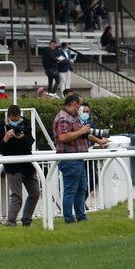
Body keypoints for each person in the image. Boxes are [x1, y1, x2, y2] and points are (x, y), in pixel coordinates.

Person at [0, 105, 39, 226]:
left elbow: (31, 141)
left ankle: (26, 220)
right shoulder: (1, 126)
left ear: (20, 116)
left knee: (35, 193)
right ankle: (11, 222)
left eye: (17, 119)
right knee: (16, 196)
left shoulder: (25, 122)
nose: (15, 122)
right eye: (13, 120)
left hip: (27, 165)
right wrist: (5, 139)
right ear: (8, 116)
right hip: (12, 167)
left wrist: (23, 136)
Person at [53, 93, 92, 223]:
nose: (81, 109)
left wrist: (98, 140)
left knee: (81, 189)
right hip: (69, 159)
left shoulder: (72, 117)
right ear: (74, 104)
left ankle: (81, 216)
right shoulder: (63, 118)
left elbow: (81, 134)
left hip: (77, 158)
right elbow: (63, 137)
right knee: (70, 190)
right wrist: (81, 132)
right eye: (80, 105)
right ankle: (69, 218)